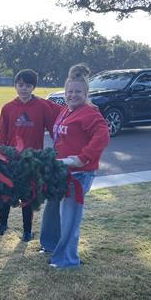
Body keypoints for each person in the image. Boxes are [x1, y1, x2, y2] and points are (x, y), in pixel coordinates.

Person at [39, 64, 110, 268]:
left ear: (86, 93)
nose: (73, 95)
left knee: (69, 217)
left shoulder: (90, 113)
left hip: (78, 174)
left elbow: (102, 135)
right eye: (69, 91)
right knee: (52, 209)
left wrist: (82, 158)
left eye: (78, 92)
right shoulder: (65, 111)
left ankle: (67, 260)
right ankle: (50, 245)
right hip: (60, 171)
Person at [0, 69, 60, 242]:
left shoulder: (42, 107)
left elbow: (56, 129)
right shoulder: (8, 108)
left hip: (32, 161)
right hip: (10, 160)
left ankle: (27, 230)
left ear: (34, 87)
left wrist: (60, 148)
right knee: (6, 193)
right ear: (15, 85)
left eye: (28, 85)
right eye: (20, 84)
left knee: (28, 195)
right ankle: (2, 224)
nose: (24, 88)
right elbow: (2, 134)